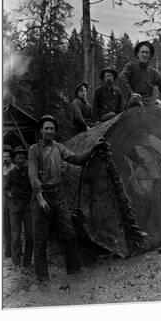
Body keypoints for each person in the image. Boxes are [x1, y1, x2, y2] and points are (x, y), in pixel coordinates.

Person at [28, 114, 104, 284]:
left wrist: (92, 149)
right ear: (40, 130)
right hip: (42, 196)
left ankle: (74, 271)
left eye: (52, 129)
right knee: (40, 240)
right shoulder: (34, 150)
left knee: (69, 233)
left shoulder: (59, 148)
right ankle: (42, 278)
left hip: (59, 196)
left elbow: (76, 158)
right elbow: (32, 176)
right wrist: (40, 198)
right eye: (46, 128)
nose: (49, 131)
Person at [5, 146, 33, 269]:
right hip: (15, 208)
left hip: (28, 207)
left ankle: (27, 261)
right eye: (18, 158)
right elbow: (5, 188)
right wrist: (9, 194)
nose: (21, 160)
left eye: (22, 157)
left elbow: (35, 185)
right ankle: (16, 262)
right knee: (16, 235)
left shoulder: (29, 172)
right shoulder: (10, 173)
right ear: (14, 160)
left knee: (30, 235)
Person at [118, 40, 161, 107]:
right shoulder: (130, 66)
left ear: (150, 55)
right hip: (132, 101)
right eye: (142, 52)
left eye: (147, 53)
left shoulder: (154, 72)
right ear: (138, 54)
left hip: (148, 103)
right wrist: (131, 93)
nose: (144, 55)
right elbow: (122, 77)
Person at [2, 145, 14, 258]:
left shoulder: (14, 168)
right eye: (3, 156)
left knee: (15, 225)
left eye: (7, 156)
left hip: (13, 200)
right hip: (2, 200)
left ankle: (16, 250)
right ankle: (8, 250)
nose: (5, 158)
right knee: (5, 226)